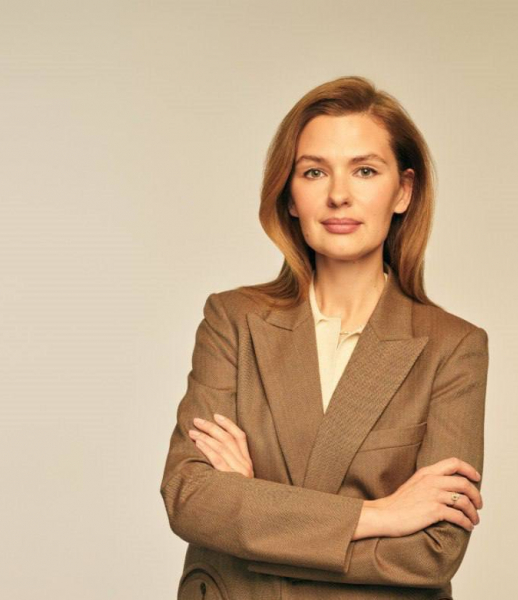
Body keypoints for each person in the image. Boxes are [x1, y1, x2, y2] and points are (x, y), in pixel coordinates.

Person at [160, 75, 489, 600]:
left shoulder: (452, 347)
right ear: (290, 195)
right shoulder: (234, 320)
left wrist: (250, 509)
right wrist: (379, 513)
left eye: (365, 171)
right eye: (314, 172)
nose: (338, 195)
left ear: (403, 191)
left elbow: (432, 551)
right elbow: (192, 497)